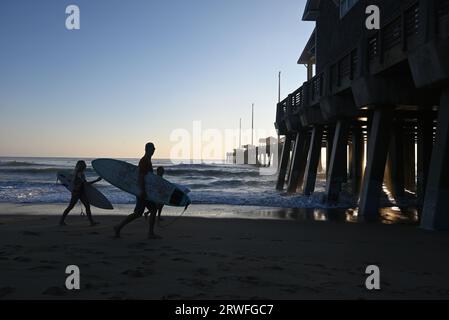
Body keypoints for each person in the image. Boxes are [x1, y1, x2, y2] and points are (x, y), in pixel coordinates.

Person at [113, 142, 161, 239]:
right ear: (146, 149)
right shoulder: (144, 161)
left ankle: (119, 227)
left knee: (147, 211)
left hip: (144, 191)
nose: (153, 150)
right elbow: (141, 177)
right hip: (142, 191)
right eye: (151, 149)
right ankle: (119, 227)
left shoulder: (148, 160)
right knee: (142, 212)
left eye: (154, 149)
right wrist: (143, 191)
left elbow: (148, 177)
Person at [60, 160, 101, 226]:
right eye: (83, 165)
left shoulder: (79, 173)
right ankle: (61, 221)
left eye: (84, 165)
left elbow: (82, 183)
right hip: (76, 193)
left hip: (81, 192)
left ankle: (92, 222)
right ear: (81, 166)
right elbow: (85, 183)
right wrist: (96, 180)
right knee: (71, 207)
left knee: (87, 206)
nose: (84, 166)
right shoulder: (78, 174)